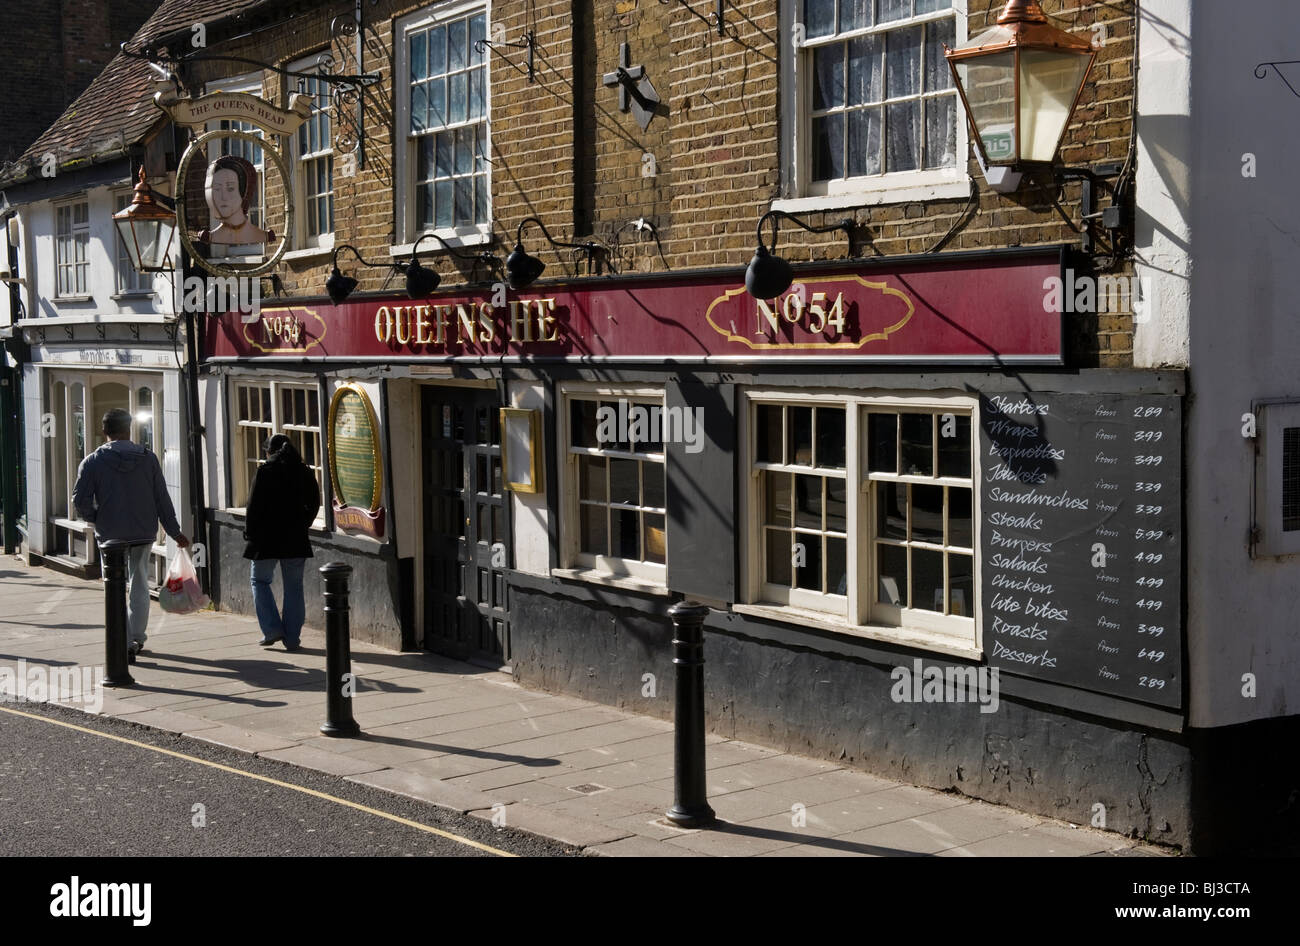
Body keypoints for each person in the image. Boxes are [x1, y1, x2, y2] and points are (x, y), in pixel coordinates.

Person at [72, 408, 190, 663]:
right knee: (139, 585)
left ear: (104, 431)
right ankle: (136, 637)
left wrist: (96, 518)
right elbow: (162, 499)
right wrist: (174, 532)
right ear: (129, 429)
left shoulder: (92, 462)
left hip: (110, 536)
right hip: (142, 532)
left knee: (113, 587)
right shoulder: (148, 459)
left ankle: (122, 641)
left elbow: (80, 500)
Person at [243, 434, 321, 651]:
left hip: (265, 539)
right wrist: (303, 523)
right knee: (294, 588)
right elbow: (314, 502)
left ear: (269, 452)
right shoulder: (304, 472)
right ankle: (293, 638)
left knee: (259, 581)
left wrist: (250, 533)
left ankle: (272, 629)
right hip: (295, 538)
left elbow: (253, 506)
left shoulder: (265, 471)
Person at [197, 154, 274, 246]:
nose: (223, 197)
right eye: (217, 189)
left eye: (230, 189)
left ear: (243, 191)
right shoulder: (208, 237)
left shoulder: (265, 236)